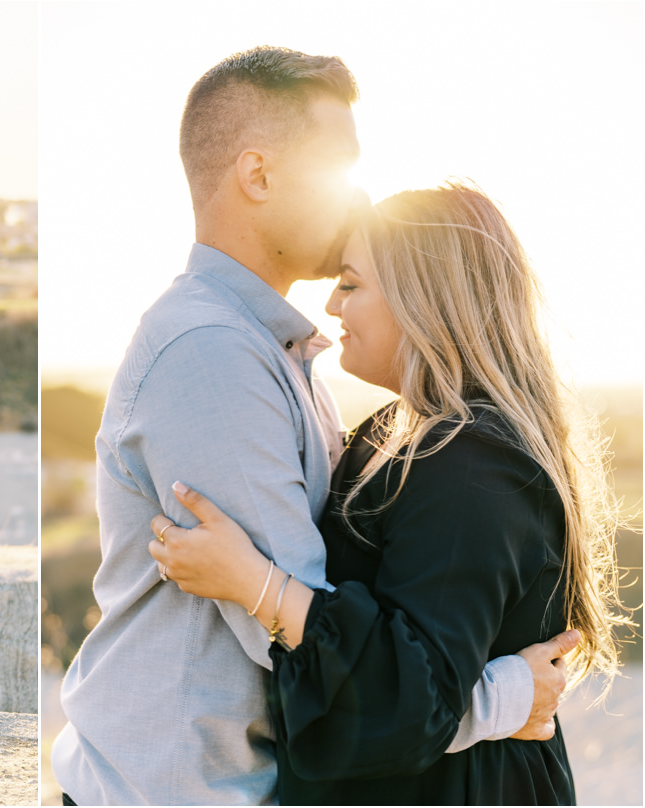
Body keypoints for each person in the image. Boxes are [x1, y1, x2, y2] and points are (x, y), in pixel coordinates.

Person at [50, 48, 575, 805]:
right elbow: (317, 645)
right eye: (339, 167)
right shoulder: (212, 355)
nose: (357, 197)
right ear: (256, 175)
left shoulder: (271, 350)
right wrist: (501, 698)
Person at [149, 183, 627, 804]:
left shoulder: (471, 465)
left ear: (421, 301)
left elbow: (404, 708)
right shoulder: (395, 434)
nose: (331, 304)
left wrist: (253, 583)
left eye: (351, 284)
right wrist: (505, 694)